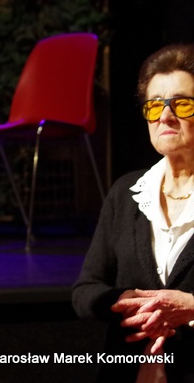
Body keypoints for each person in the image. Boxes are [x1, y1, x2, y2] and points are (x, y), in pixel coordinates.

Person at [72, 43, 194, 382]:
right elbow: (85, 290)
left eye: (182, 104)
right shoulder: (127, 192)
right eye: (154, 106)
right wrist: (123, 300)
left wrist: (191, 308)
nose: (165, 116)